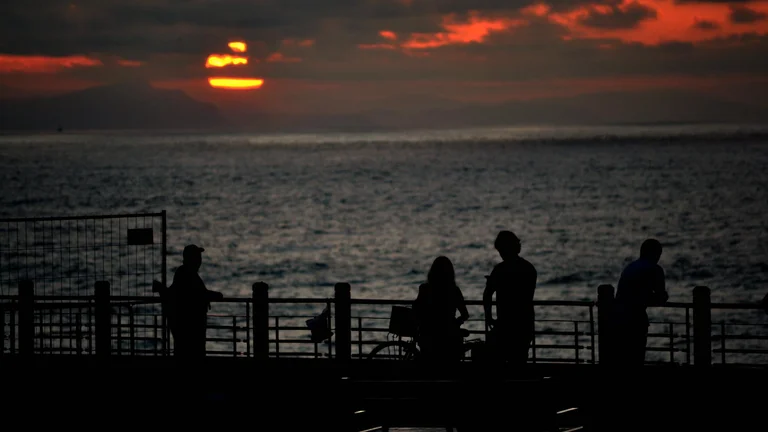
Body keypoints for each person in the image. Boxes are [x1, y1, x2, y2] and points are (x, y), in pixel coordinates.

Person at [483, 230, 537, 365]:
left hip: (505, 324)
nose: (500, 254)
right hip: (525, 323)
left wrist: (488, 316)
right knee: (519, 362)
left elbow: (487, 294)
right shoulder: (529, 268)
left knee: (499, 363)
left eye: (501, 250)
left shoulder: (500, 270)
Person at [613, 238, 668, 366]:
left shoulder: (630, 267)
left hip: (617, 318)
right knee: (636, 358)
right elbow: (660, 297)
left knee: (621, 359)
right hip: (636, 320)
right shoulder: (655, 269)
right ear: (655, 254)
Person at [166, 244, 223, 359]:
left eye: (199, 257)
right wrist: (216, 295)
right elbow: (199, 293)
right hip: (190, 330)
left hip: (189, 329)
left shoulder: (185, 273)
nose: (199, 261)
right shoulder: (186, 275)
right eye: (197, 257)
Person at [413, 256, 470, 362]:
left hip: (428, 334)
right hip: (449, 335)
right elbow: (465, 314)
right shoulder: (454, 290)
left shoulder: (425, 289)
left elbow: (416, 309)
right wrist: (456, 323)